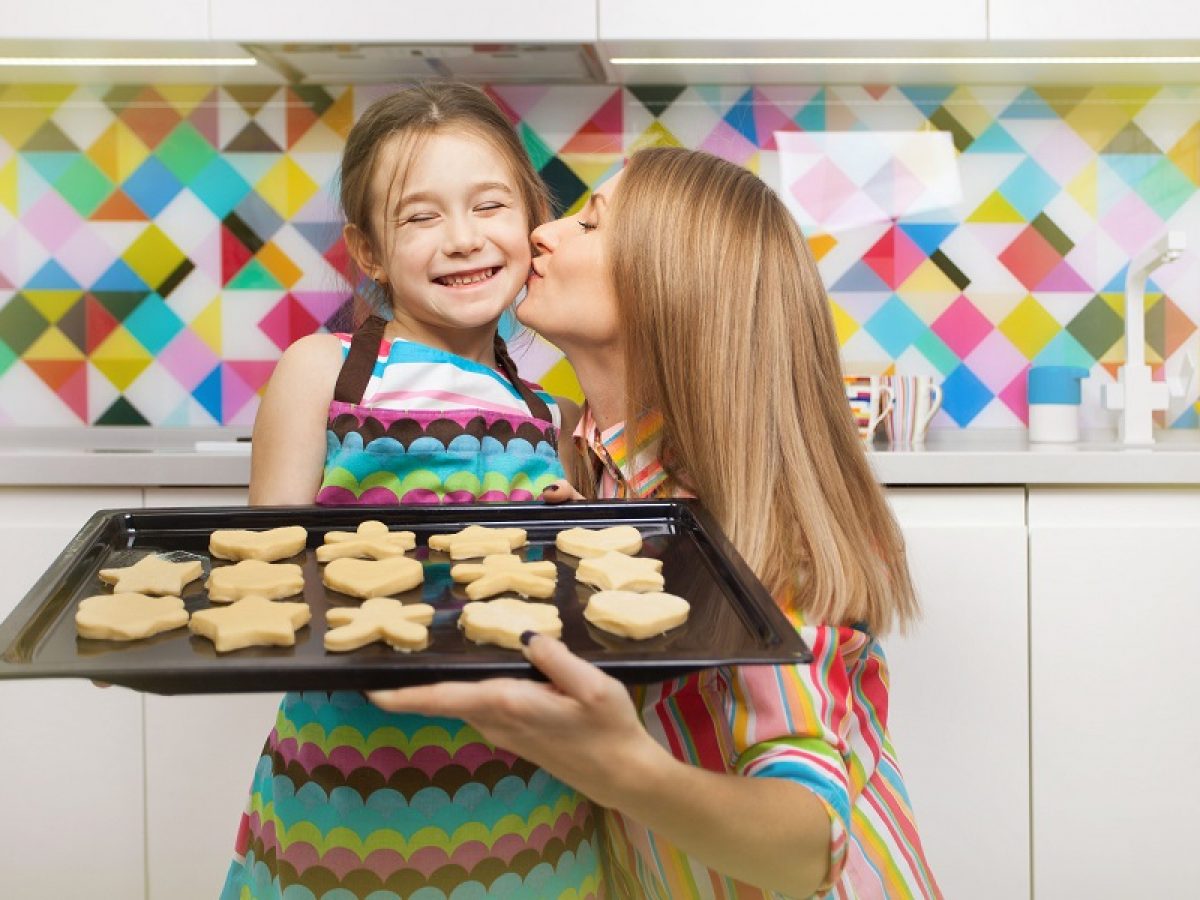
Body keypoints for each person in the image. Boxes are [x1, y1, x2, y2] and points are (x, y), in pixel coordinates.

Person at [370, 147, 943, 899]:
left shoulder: (762, 518)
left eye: (591, 223)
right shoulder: (583, 471)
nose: (545, 233)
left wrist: (620, 767)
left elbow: (806, 847)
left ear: (672, 282)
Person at [222, 83, 602, 899]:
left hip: (526, 796)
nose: (462, 240)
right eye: (420, 217)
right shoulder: (321, 374)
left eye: (489, 206)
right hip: (346, 788)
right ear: (368, 251)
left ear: (532, 222)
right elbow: (263, 577)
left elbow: (576, 609)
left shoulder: (556, 414)